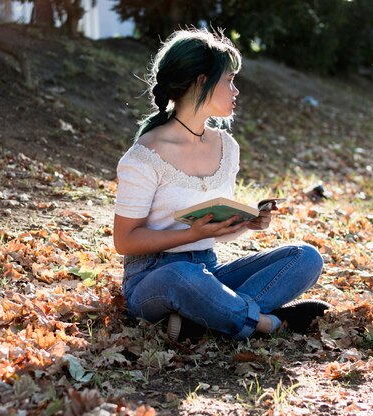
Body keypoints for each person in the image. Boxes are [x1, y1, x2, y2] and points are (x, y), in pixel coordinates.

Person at [113, 28, 329, 342]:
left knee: (305, 257)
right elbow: (124, 241)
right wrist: (190, 235)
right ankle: (268, 324)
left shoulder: (226, 148)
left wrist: (246, 223)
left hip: (208, 272)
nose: (236, 90)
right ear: (201, 81)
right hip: (154, 279)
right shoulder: (145, 155)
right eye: (228, 80)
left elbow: (214, 229)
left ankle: (204, 321)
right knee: (182, 276)